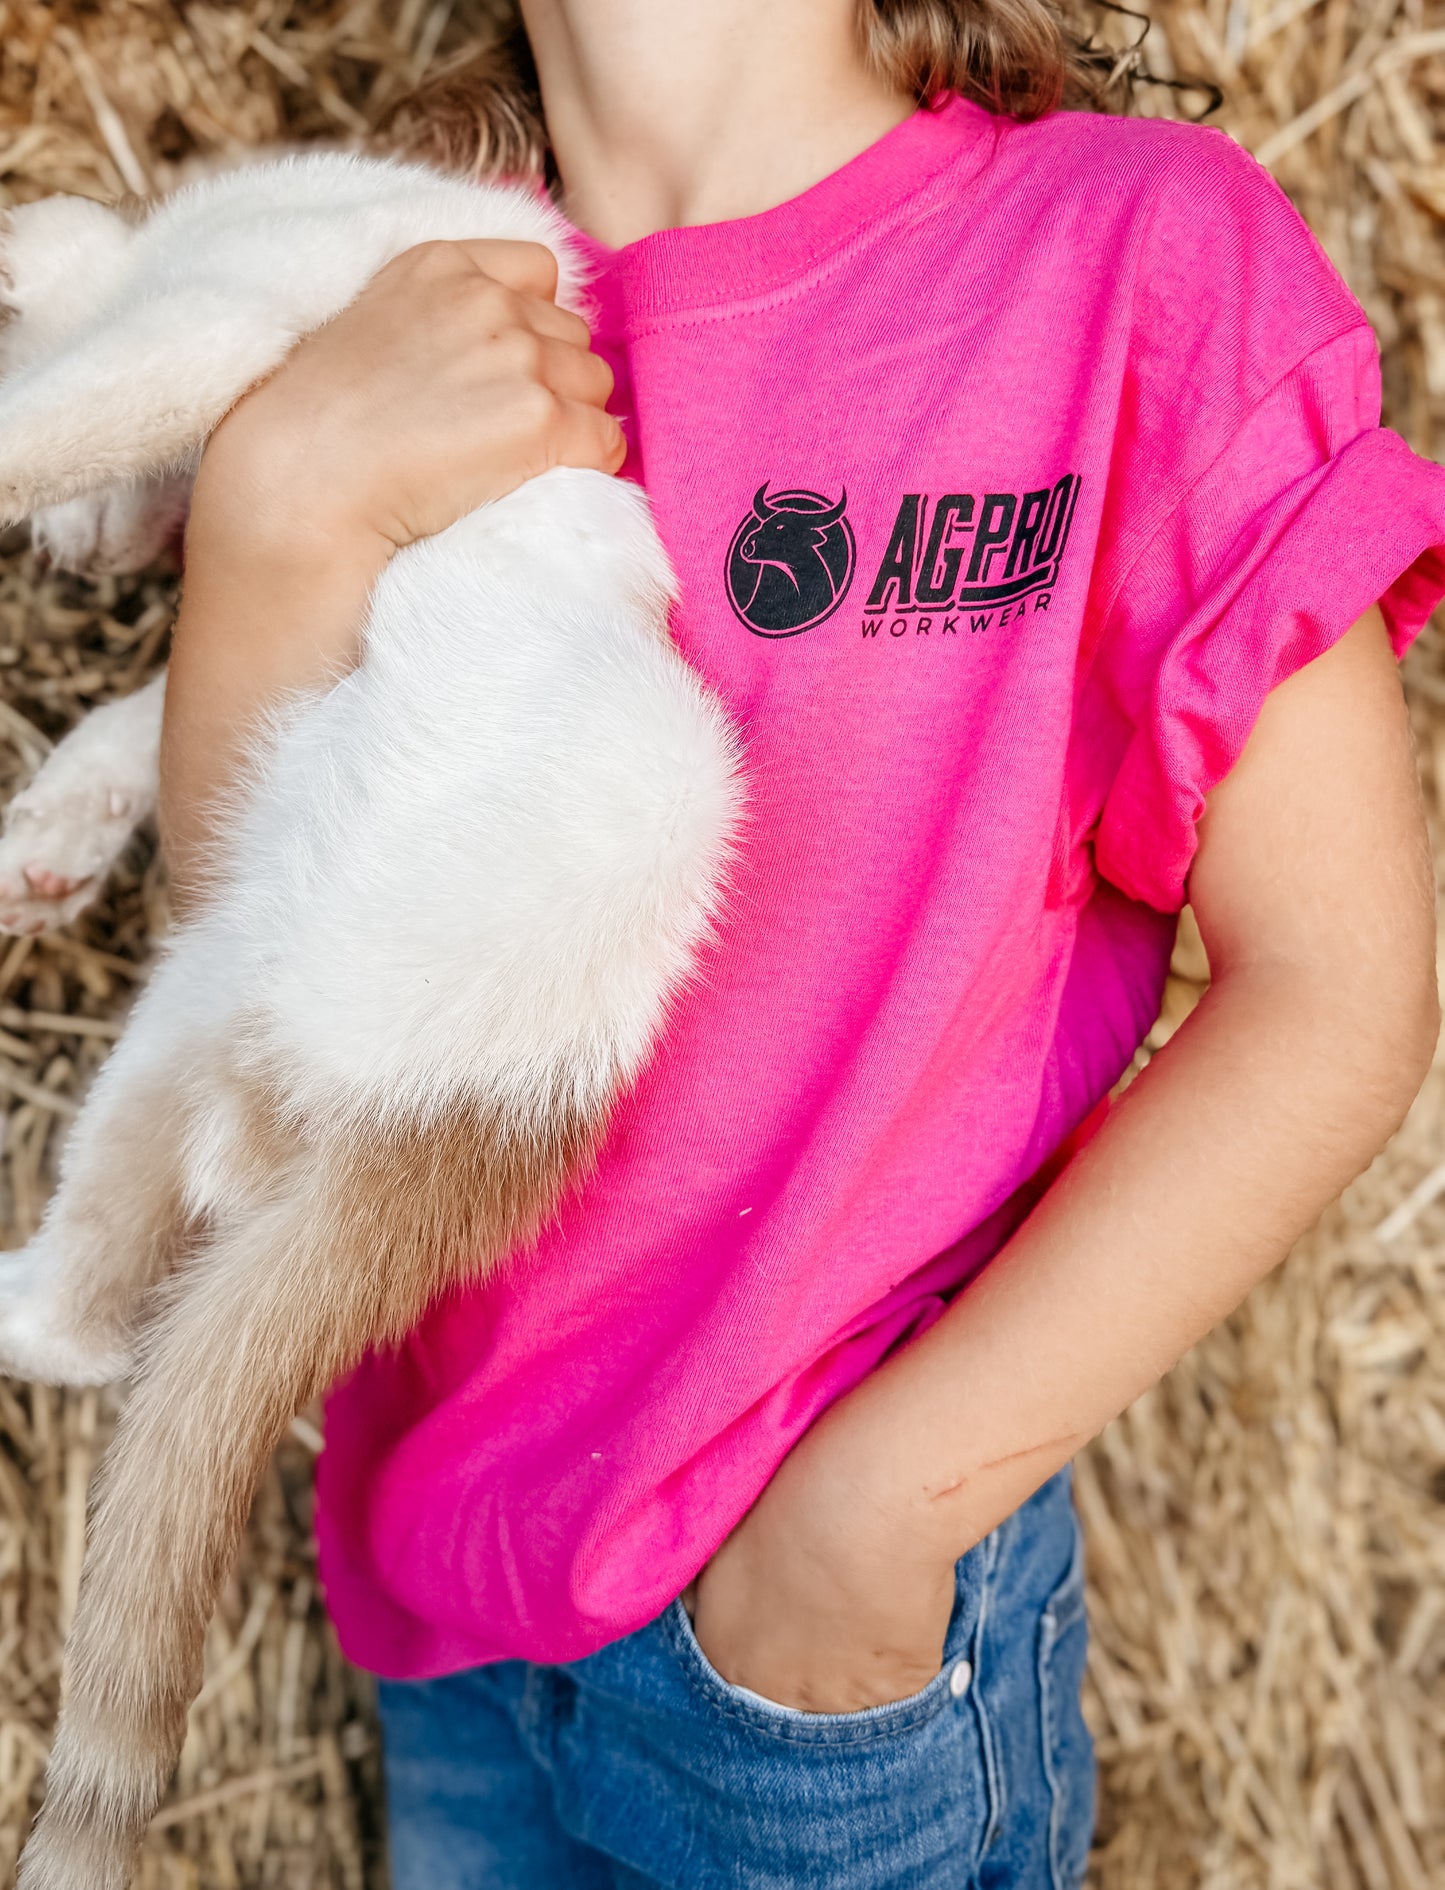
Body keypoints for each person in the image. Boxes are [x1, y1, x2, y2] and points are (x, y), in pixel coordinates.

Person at [157, 3, 1445, 1884]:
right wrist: (274, 513)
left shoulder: (1124, 253)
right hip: (459, 1626)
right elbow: (261, 1026)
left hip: (815, 1683)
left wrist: (861, 1525)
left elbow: (1332, 984)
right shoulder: (391, 296)